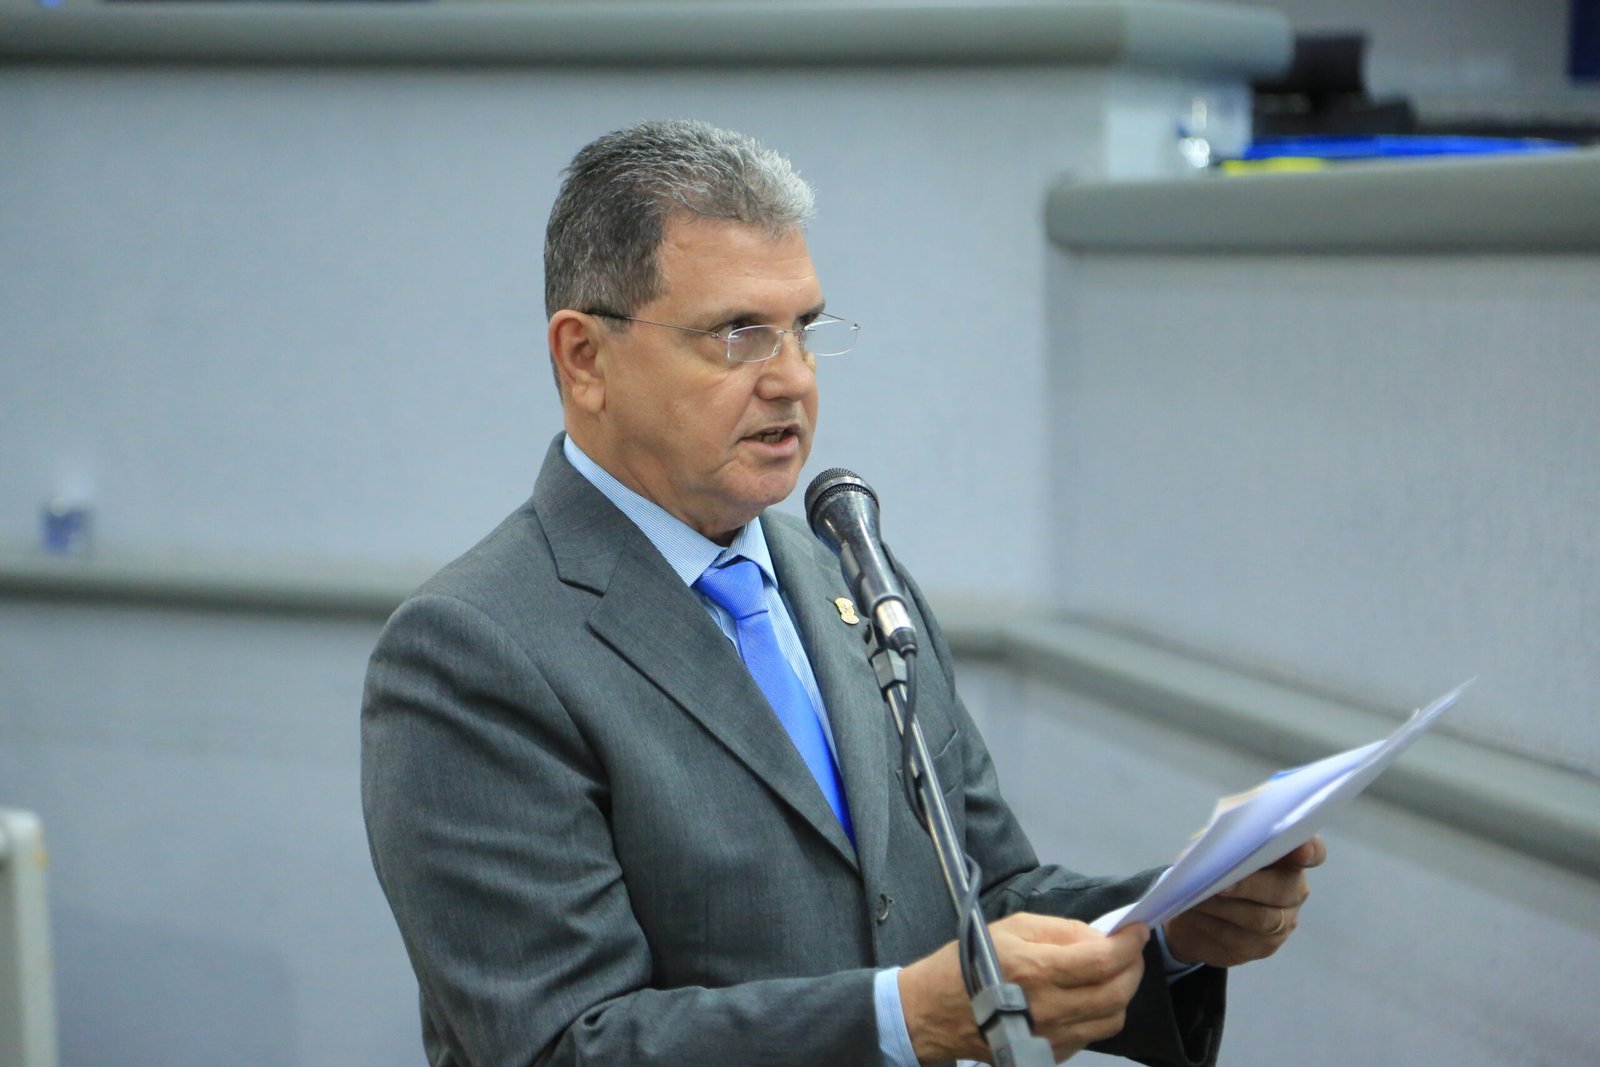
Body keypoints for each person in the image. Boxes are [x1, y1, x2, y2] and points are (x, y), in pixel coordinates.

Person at [361, 119, 1324, 1067]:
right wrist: (901, 1022)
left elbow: (985, 891)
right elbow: (563, 1045)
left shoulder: (844, 565)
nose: (793, 380)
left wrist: (1168, 928)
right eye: (739, 334)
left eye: (805, 329)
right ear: (584, 358)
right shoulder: (472, 650)